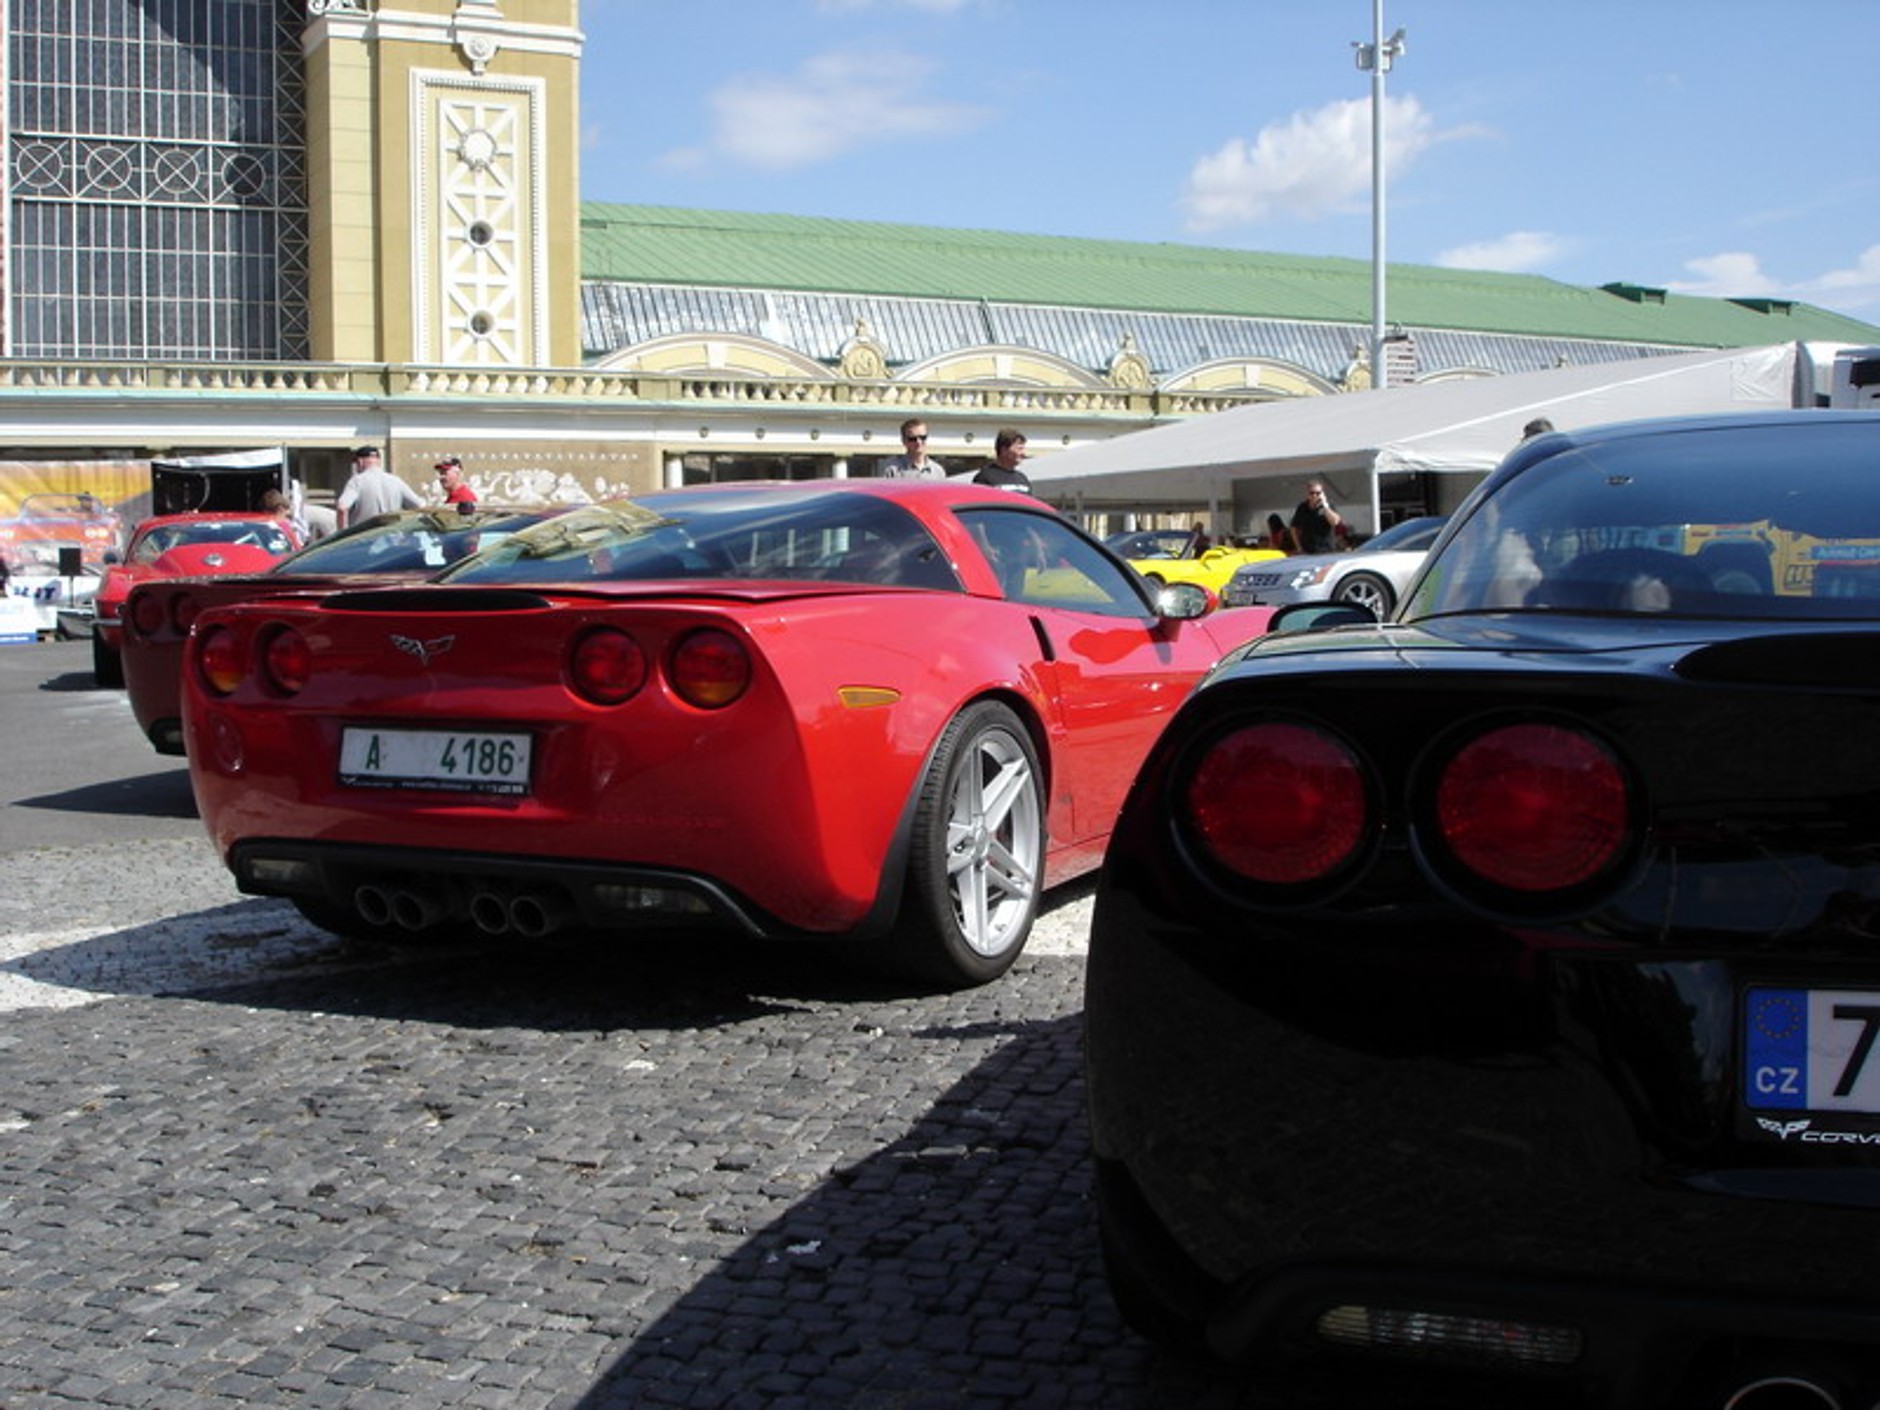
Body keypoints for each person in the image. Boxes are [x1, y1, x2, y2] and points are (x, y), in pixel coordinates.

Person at [335, 445, 421, 529]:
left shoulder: (357, 481)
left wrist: (341, 535)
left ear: (360, 462)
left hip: (364, 539)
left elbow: (342, 507)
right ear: (379, 461)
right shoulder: (396, 481)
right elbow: (419, 505)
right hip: (391, 538)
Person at [879, 419, 945, 479]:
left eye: (922, 437)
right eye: (912, 439)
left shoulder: (938, 471)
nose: (918, 442)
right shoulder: (892, 470)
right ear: (904, 441)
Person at [1290, 481, 1342, 554]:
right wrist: (1299, 547)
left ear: (1322, 494)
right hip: (1307, 551)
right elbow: (1293, 528)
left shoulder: (1328, 506)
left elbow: (1335, 522)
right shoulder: (1302, 507)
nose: (1314, 496)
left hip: (1326, 551)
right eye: (1312, 493)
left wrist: (1325, 507)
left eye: (1318, 493)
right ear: (1307, 494)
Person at [974, 429, 1031, 493]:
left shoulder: (1022, 480)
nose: (1023, 454)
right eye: (1019, 449)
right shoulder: (984, 478)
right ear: (1004, 450)